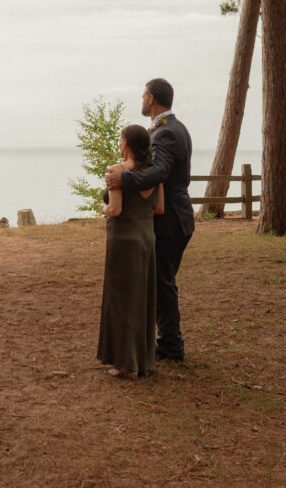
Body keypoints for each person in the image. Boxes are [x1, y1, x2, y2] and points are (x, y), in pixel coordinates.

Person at [106, 78, 194, 362]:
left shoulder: (166, 133)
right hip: (177, 216)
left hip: (171, 219)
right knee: (163, 282)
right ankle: (167, 342)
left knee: (162, 284)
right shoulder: (176, 128)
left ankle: (171, 347)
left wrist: (124, 179)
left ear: (152, 98)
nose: (141, 100)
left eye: (143, 95)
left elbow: (161, 172)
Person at [98, 125, 164, 379]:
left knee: (122, 300)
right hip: (147, 238)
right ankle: (144, 360)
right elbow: (159, 208)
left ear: (126, 143)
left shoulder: (117, 171)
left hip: (124, 240)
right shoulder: (154, 173)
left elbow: (115, 210)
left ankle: (125, 363)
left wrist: (102, 208)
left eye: (120, 139)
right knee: (143, 298)